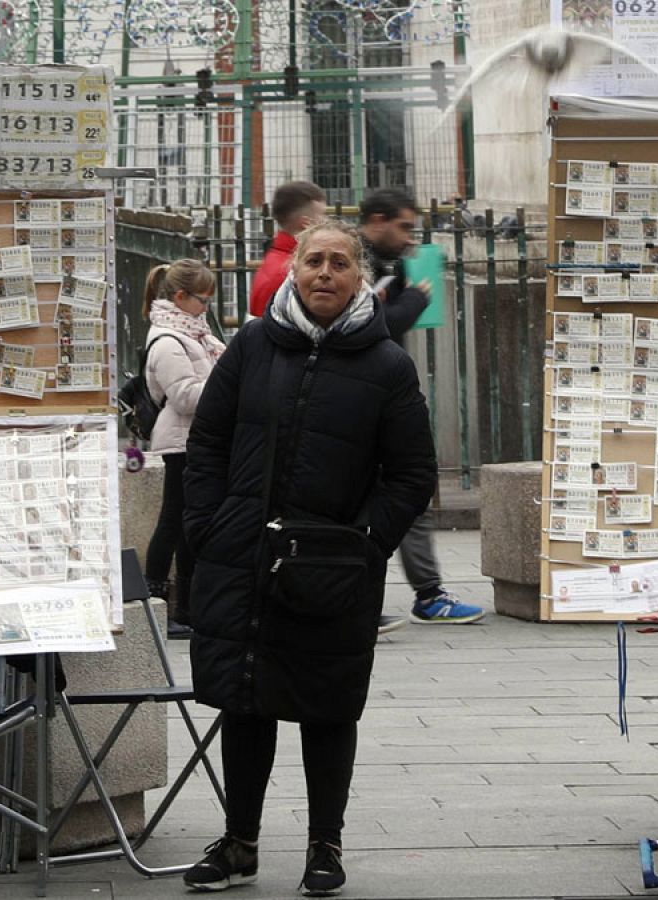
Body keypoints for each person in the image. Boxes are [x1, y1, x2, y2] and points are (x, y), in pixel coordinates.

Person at [181, 220, 436, 894]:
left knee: (327, 707)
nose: (325, 272)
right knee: (245, 701)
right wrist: (210, 524)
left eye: (340, 263)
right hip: (244, 556)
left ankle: (326, 846)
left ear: (359, 279)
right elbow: (207, 440)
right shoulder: (254, 344)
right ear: (294, 272)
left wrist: (364, 544)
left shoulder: (387, 365)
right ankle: (240, 843)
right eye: (313, 261)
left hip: (333, 568)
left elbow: (412, 476)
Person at [358, 188, 487, 627]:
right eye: (404, 227)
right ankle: (369, 599)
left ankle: (426, 594)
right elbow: (373, 326)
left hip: (382, 401)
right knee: (370, 502)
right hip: (361, 404)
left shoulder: (382, 266)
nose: (410, 237)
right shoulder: (350, 264)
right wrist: (414, 298)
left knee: (410, 492)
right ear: (377, 220)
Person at [142, 259, 223, 640]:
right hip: (179, 441)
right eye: (204, 300)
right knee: (173, 520)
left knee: (191, 524)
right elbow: (185, 396)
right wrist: (229, 382)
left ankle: (187, 606)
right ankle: (157, 598)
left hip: (198, 439)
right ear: (180, 296)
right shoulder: (167, 340)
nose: (208, 307)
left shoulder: (196, 333)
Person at [249, 180, 327, 319]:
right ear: (306, 223)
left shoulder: (280, 263)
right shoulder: (288, 272)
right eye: (322, 216)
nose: (326, 222)